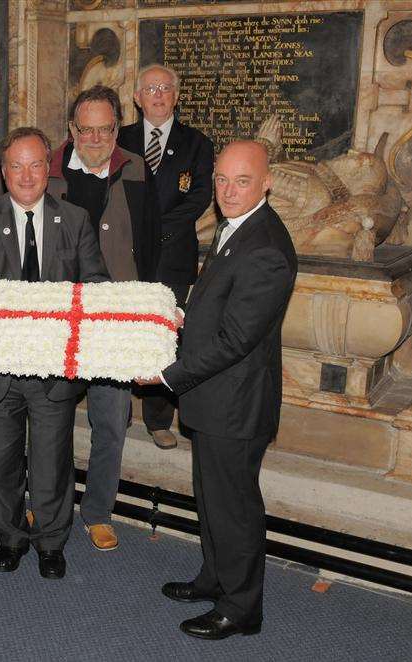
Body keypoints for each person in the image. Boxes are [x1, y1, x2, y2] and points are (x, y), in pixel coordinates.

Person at [143, 141, 297, 640]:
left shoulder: (267, 248)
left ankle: (241, 608)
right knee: (211, 499)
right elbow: (222, 309)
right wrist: (186, 319)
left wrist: (169, 376)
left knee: (234, 508)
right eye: (223, 180)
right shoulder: (239, 227)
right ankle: (214, 578)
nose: (229, 192)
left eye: (243, 181)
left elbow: (235, 341)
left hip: (236, 405)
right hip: (215, 400)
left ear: (266, 182)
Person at [0, 127, 108, 579]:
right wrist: (10, 334)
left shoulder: (77, 219)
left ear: (49, 169)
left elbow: (95, 285)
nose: (26, 175)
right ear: (4, 173)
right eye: (16, 166)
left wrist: (59, 335)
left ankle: (50, 541)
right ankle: (10, 536)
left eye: (35, 164)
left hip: (53, 369)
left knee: (51, 462)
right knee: (1, 462)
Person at [48, 84, 161, 552]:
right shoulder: (49, 171)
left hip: (114, 321)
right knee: (49, 416)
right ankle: (48, 503)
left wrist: (148, 312)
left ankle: (97, 511)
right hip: (58, 317)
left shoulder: (136, 169)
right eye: (86, 129)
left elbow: (153, 242)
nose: (95, 139)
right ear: (72, 129)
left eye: (105, 129)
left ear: (118, 128)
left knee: (111, 421)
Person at [118, 64, 215, 450]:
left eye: (165, 88)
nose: (158, 94)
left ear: (176, 95)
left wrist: (156, 232)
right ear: (137, 98)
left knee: (163, 334)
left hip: (173, 253)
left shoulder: (196, 143)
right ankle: (117, 410)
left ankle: (158, 419)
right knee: (121, 329)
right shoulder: (119, 139)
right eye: (150, 88)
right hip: (123, 251)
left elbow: (199, 197)